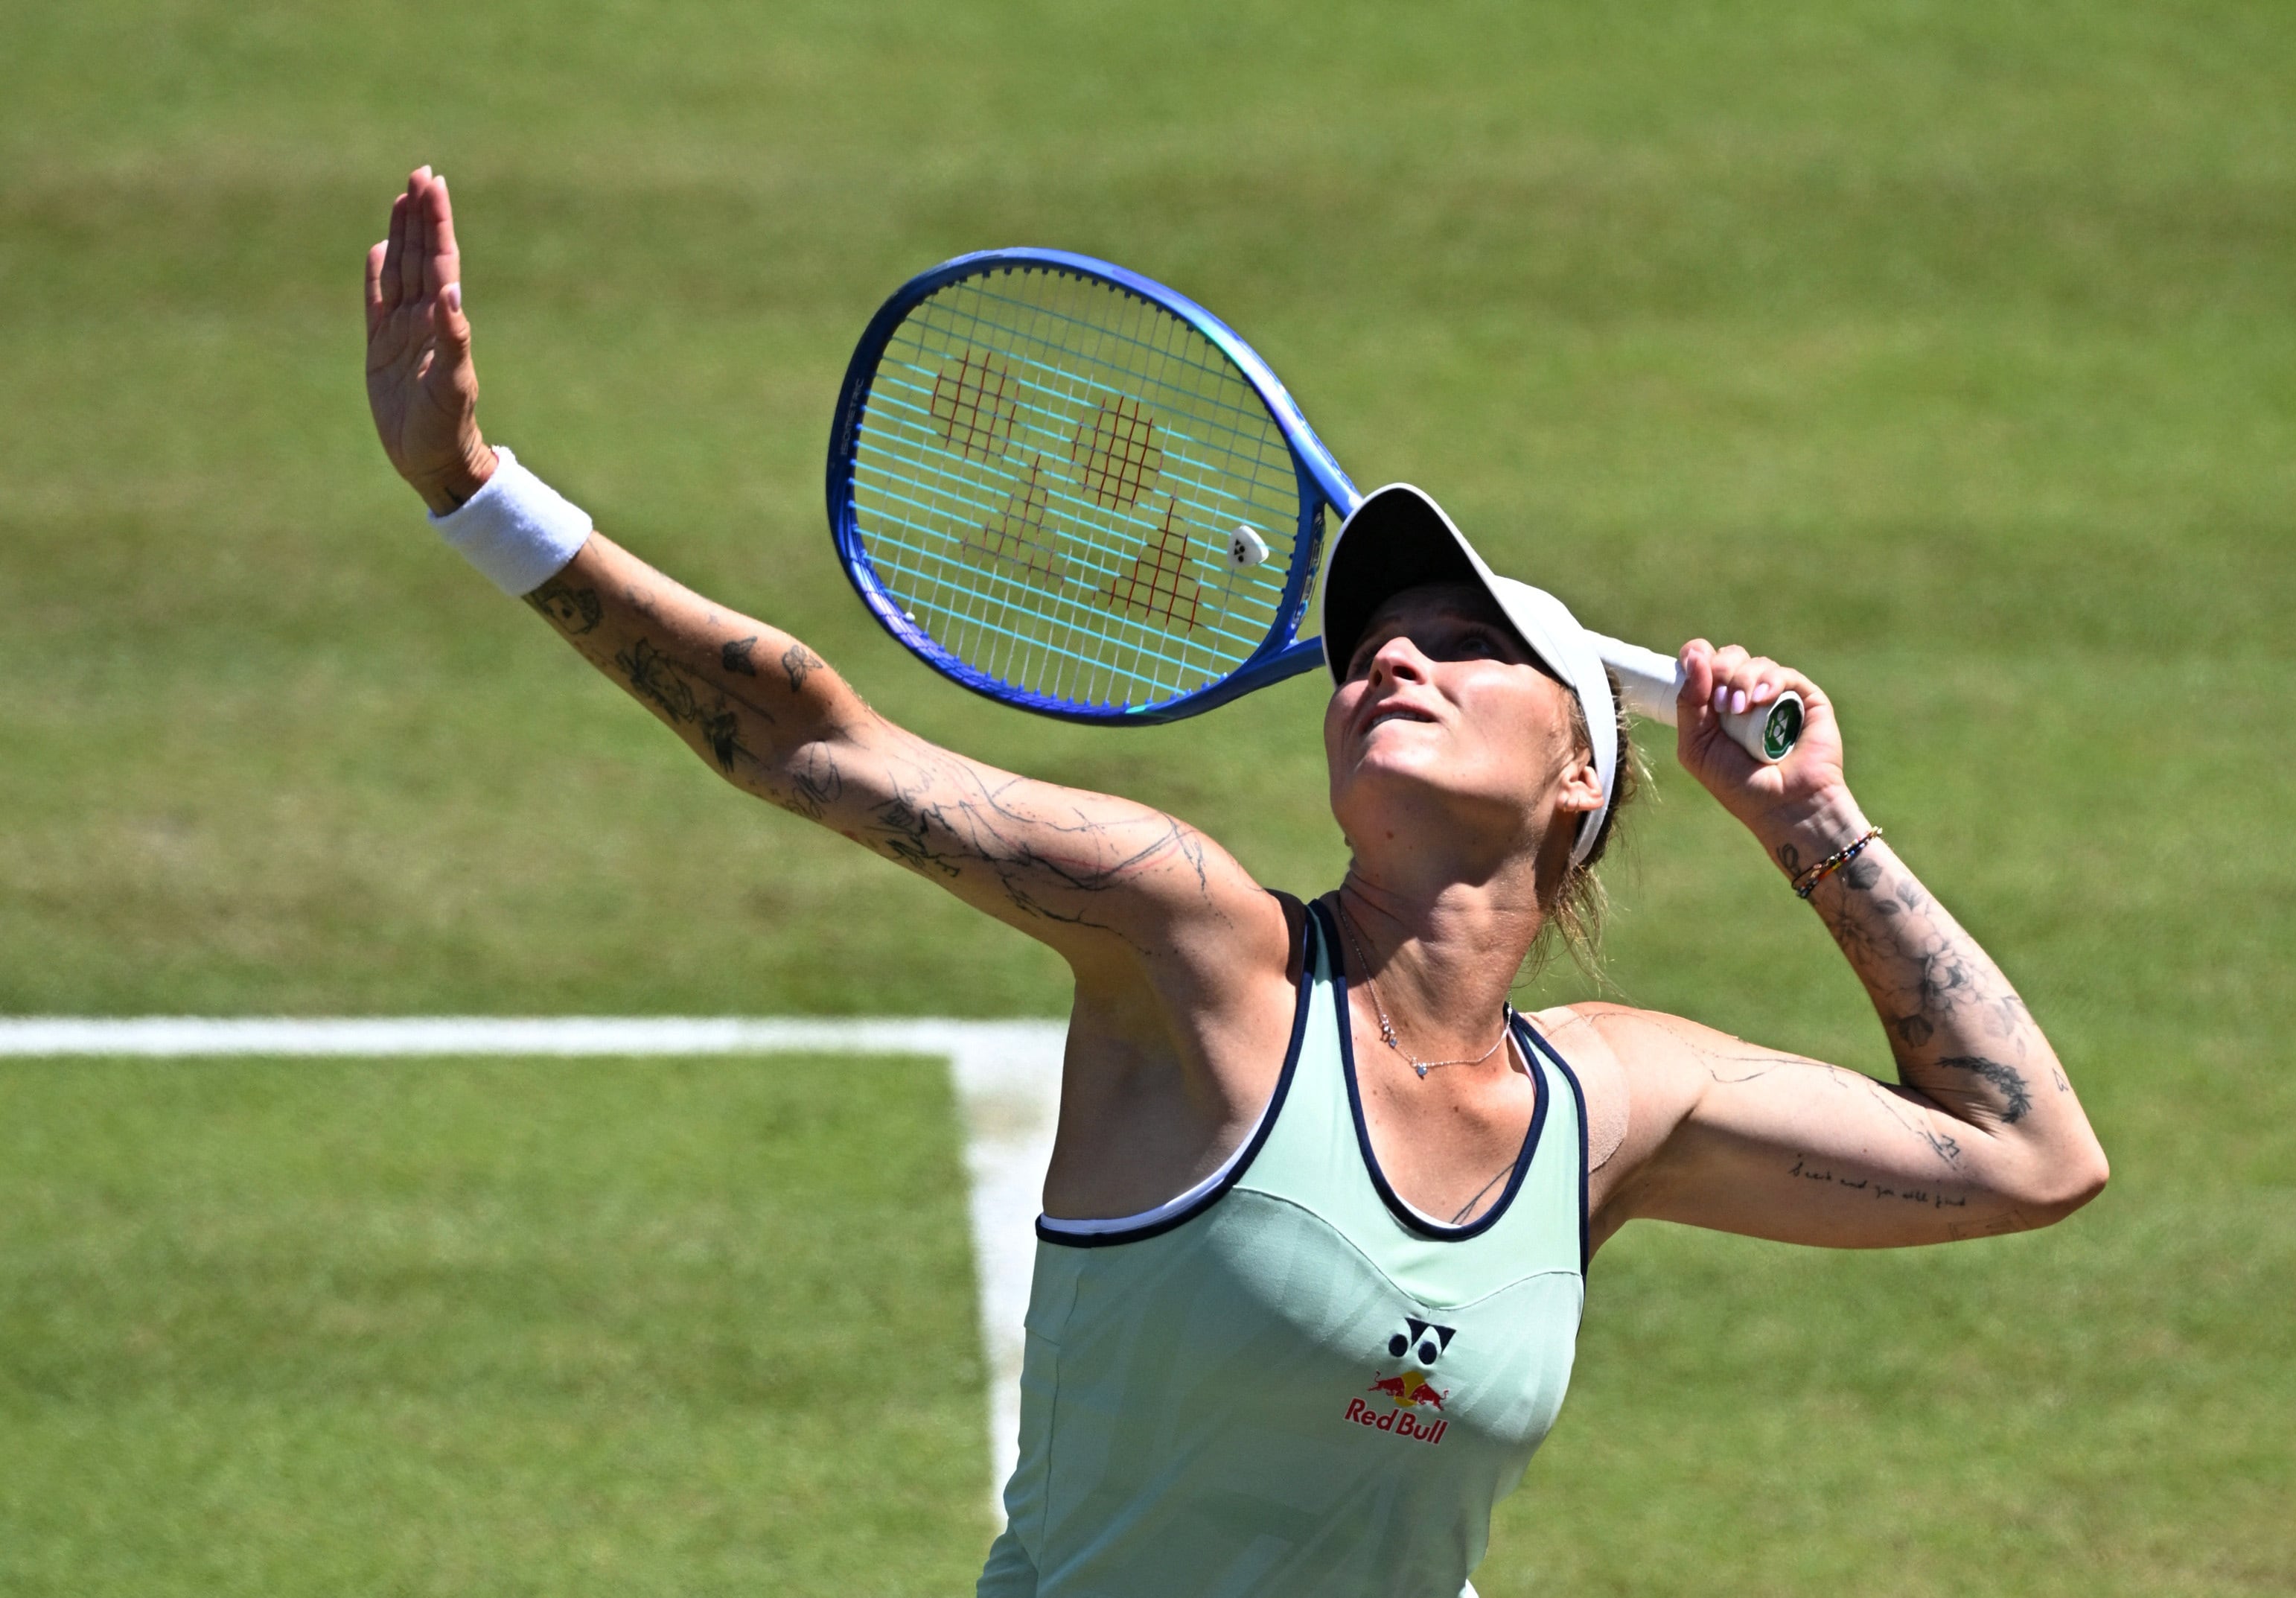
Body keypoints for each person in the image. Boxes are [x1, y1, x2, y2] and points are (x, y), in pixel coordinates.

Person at [366, 166, 2108, 1598]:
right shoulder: (1188, 938)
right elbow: (810, 740)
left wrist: (1815, 821)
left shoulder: (1615, 1102)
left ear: (1581, 770)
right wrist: (473, 493)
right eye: (1370, 645)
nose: (1390, 661)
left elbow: (2027, 1155)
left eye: (1463, 642)